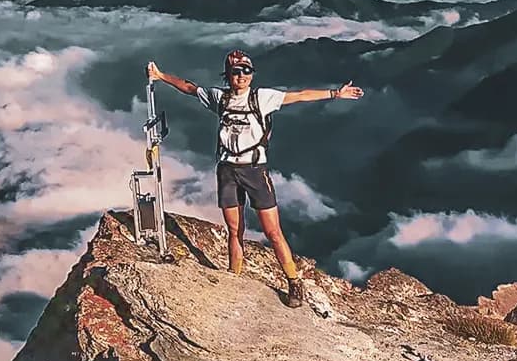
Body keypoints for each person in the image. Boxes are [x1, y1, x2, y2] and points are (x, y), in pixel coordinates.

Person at [147, 50, 363, 308]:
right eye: (236, 71)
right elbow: (190, 88)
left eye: (246, 70)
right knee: (235, 230)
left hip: (255, 170)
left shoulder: (263, 97)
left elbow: (300, 95)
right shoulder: (220, 97)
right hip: (228, 170)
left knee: (273, 232)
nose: (242, 76)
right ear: (228, 75)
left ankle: (293, 281)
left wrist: (334, 94)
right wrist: (160, 76)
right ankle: (234, 279)